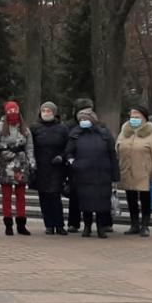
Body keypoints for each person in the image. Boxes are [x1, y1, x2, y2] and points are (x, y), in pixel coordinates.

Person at [66, 109, 119, 238]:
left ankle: (101, 227)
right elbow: (68, 152)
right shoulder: (75, 134)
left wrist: (115, 175)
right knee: (85, 202)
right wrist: (73, 163)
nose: (84, 122)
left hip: (102, 174)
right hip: (83, 175)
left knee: (102, 203)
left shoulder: (104, 134)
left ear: (93, 120)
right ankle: (87, 226)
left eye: (86, 119)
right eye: (81, 120)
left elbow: (113, 155)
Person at [117, 106, 152, 237]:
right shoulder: (124, 132)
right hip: (127, 170)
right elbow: (118, 148)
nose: (134, 119)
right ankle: (134, 224)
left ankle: (145, 225)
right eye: (132, 117)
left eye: (137, 117)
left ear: (144, 118)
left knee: (145, 199)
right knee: (130, 198)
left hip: (144, 172)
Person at [0, 101, 35, 236]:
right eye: (10, 111)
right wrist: (5, 147)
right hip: (6, 163)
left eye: (15, 111)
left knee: (21, 195)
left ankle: (21, 224)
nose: (13, 114)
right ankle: (8, 224)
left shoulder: (24, 127)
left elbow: (29, 146)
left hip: (21, 164)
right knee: (6, 195)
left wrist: (32, 162)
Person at [30, 102, 70, 235]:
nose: (46, 113)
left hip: (57, 167)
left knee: (55, 196)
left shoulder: (62, 129)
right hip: (41, 167)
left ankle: (59, 224)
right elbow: (31, 147)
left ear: (54, 112)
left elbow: (68, 146)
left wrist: (62, 156)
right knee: (44, 196)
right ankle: (48, 224)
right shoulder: (35, 128)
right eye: (44, 110)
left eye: (49, 111)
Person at [65, 97, 96, 232]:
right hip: (76, 166)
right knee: (75, 196)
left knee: (96, 194)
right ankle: (74, 222)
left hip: (94, 166)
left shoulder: (98, 126)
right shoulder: (70, 127)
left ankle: (102, 222)